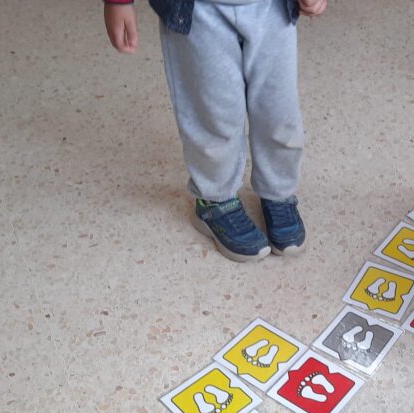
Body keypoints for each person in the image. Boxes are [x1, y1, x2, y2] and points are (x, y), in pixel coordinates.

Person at [102, 0, 327, 262]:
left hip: (271, 9)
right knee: (213, 113)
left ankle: (278, 192)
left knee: (279, 110)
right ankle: (215, 200)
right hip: (199, 13)